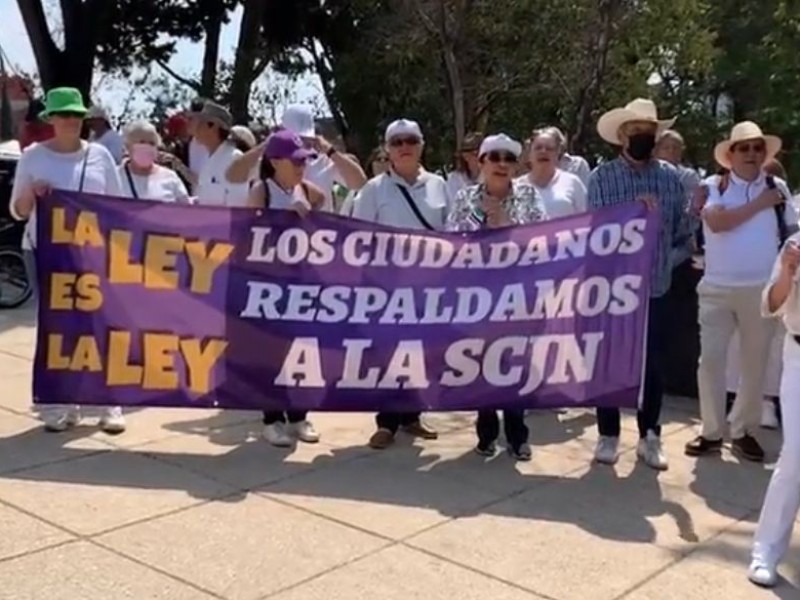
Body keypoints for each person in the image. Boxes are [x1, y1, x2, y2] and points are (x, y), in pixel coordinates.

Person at [8, 87, 125, 434]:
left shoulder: (101, 156)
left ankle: (108, 401)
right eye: (64, 115)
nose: (71, 121)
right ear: (51, 120)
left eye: (76, 115)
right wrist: (33, 192)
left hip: (93, 254)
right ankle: (60, 403)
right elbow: (18, 211)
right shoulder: (32, 157)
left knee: (101, 327)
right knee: (56, 329)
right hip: (44, 252)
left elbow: (118, 209)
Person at [588, 98, 692, 471]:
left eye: (648, 132)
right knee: (609, 361)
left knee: (653, 366)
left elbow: (685, 235)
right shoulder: (601, 178)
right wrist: (633, 213)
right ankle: (608, 433)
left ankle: (651, 435)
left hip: (656, 288)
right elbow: (595, 232)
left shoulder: (670, 179)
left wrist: (666, 262)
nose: (642, 138)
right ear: (622, 136)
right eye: (636, 132)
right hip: (613, 289)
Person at [685, 122, 797, 463]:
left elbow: (792, 232)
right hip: (717, 287)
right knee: (711, 363)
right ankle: (711, 432)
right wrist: (761, 203)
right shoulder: (713, 185)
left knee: (754, 365)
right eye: (744, 148)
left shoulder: (778, 187)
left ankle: (743, 431)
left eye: (757, 148)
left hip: (761, 289)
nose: (751, 154)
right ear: (730, 155)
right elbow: (717, 223)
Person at [446, 134, 542, 461]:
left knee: (516, 366)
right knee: (483, 365)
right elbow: (452, 243)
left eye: (508, 158)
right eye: (494, 157)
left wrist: (506, 224)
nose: (502, 164)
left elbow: (544, 244)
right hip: (478, 296)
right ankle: (486, 434)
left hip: (518, 296)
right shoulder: (464, 198)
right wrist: (483, 225)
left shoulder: (530, 195)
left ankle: (518, 437)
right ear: (481, 162)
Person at [352, 118, 446, 449]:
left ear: (422, 145)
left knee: (420, 356)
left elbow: (451, 236)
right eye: (397, 142)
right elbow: (358, 239)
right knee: (389, 356)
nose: (404, 146)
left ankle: (412, 416)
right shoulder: (373, 189)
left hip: (428, 289)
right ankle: (386, 422)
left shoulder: (439, 185)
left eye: (411, 140)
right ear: (388, 149)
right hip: (386, 289)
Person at [246, 130, 325, 447]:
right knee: (270, 354)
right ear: (275, 162)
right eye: (294, 161)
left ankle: (299, 416)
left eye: (304, 161)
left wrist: (309, 216)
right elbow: (250, 234)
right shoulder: (261, 190)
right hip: (268, 284)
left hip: (301, 282)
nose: (300, 166)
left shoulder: (308, 190)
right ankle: (272, 418)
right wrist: (285, 218)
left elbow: (325, 222)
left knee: (300, 352)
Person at [748, 235, 800, 588]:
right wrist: (787, 272)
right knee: (795, 456)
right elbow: (770, 303)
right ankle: (764, 551)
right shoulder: (795, 244)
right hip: (798, 354)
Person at [225, 104, 367, 211]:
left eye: (306, 139)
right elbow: (232, 176)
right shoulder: (273, 161)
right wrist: (266, 145)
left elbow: (360, 184)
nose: (300, 144)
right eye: (296, 137)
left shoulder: (324, 161)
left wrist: (331, 152)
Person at [517, 126, 587, 219]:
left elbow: (587, 220)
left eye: (549, 148)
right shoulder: (516, 187)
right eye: (538, 148)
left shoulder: (573, 183)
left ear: (558, 153)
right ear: (529, 154)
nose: (543, 151)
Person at [192, 102, 250, 207]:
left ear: (213, 126)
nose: (195, 129)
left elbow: (237, 208)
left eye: (200, 124)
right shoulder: (207, 159)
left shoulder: (234, 158)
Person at [118, 120, 190, 203]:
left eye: (152, 143)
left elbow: (185, 209)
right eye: (142, 142)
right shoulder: (116, 176)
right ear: (128, 146)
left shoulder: (170, 177)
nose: (147, 146)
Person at [340, 147, 389, 217]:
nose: (382, 164)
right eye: (379, 159)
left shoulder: (399, 189)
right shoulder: (358, 190)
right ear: (371, 163)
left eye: (386, 159)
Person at [445, 132, 483, 201]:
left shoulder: (492, 178)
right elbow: (451, 205)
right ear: (465, 156)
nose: (481, 158)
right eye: (476, 154)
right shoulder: (454, 179)